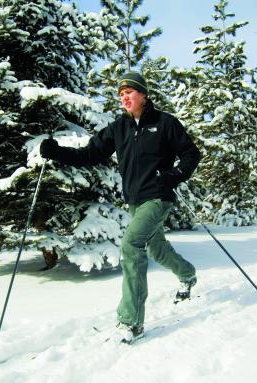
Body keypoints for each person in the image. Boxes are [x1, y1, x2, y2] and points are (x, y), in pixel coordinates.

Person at [40, 71, 201, 344]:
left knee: (131, 245)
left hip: (158, 197)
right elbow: (89, 154)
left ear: (144, 94)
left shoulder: (165, 123)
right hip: (135, 201)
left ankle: (131, 321)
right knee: (155, 247)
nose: (125, 97)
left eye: (130, 92)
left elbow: (191, 154)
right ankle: (187, 275)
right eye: (121, 94)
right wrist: (56, 152)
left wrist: (174, 176)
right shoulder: (119, 127)